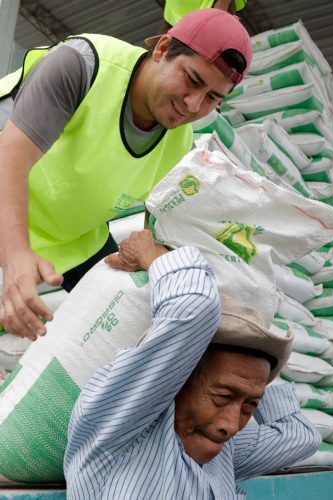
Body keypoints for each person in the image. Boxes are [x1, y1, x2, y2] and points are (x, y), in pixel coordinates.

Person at [0, 9, 252, 340]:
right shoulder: (84, 64)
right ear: (162, 49)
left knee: (130, 317)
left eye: (212, 98)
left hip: (71, 238)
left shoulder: (179, 146)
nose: (193, 105)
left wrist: (155, 255)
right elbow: (10, 158)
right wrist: (16, 259)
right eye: (192, 80)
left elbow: (162, 227)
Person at [64, 230, 321, 499]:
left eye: (248, 407)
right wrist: (152, 255)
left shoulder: (221, 454)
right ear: (175, 378)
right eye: (222, 396)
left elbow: (299, 436)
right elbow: (194, 305)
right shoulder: (121, 428)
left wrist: (257, 365)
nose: (232, 426)